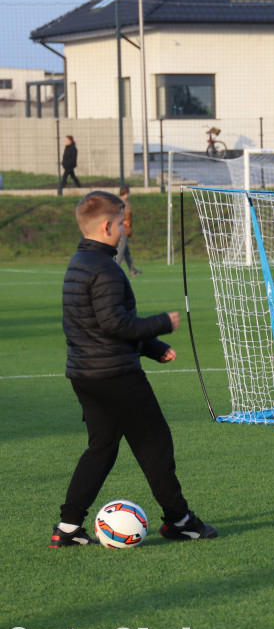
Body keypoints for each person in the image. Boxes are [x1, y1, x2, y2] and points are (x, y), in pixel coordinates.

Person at [50, 190, 216, 547]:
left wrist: (153, 348)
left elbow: (97, 326)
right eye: (122, 223)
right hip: (115, 376)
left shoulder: (78, 263)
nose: (125, 229)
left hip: (85, 375)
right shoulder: (105, 268)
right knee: (154, 442)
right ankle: (180, 520)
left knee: (102, 448)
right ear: (107, 225)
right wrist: (161, 324)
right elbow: (116, 325)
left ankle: (67, 528)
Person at [115, 185, 141, 277]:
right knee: (121, 251)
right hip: (123, 230)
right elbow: (121, 215)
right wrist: (124, 221)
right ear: (126, 193)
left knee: (126, 251)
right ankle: (114, 269)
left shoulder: (117, 201)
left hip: (121, 229)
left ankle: (132, 270)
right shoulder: (123, 203)